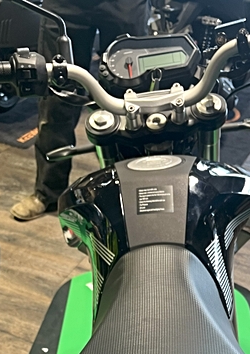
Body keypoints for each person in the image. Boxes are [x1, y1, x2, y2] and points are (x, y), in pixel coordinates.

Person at [11, 0, 151, 221]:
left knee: (127, 96)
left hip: (124, 5)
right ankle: (48, 192)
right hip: (66, 6)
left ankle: (130, 192)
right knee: (56, 95)